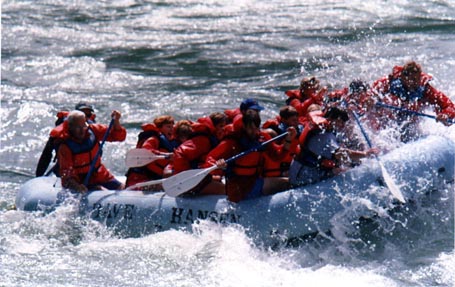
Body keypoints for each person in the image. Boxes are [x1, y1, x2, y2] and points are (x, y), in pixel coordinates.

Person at [204, 111, 297, 202]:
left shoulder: (262, 138)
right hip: (237, 187)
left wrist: (288, 140)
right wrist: (219, 165)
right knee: (286, 183)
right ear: (244, 126)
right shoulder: (233, 141)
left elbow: (277, 156)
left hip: (254, 182)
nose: (253, 132)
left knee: (288, 182)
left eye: (256, 128)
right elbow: (211, 158)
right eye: (250, 128)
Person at [289, 107, 378, 187]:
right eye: (342, 122)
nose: (343, 125)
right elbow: (340, 154)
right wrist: (365, 154)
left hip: (303, 169)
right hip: (302, 177)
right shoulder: (324, 136)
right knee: (344, 171)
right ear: (337, 120)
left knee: (346, 165)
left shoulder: (324, 127)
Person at [371, 61, 455, 141]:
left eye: (417, 79)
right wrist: (369, 100)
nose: (415, 83)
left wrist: (445, 115)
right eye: (412, 79)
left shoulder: (425, 89)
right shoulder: (388, 83)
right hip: (388, 121)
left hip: (410, 123)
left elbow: (449, 106)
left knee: (409, 128)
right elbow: (370, 92)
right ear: (403, 77)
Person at [51, 110, 126, 193]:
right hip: (79, 180)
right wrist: (77, 187)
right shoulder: (65, 146)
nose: (82, 131)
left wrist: (116, 121)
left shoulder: (93, 130)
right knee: (98, 189)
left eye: (84, 126)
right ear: (70, 127)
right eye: (78, 128)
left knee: (122, 188)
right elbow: (67, 175)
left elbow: (119, 136)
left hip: (98, 173)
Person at [35, 102, 97, 177]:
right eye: (82, 114)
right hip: (66, 172)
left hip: (88, 173)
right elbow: (46, 155)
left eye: (88, 115)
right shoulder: (61, 134)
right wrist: (38, 176)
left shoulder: (94, 132)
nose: (84, 118)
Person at [125, 115, 177, 189]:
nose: (171, 129)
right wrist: (166, 155)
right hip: (139, 178)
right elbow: (146, 150)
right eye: (168, 127)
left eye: (172, 127)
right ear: (160, 128)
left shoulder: (171, 142)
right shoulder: (153, 139)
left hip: (153, 177)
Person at [262, 106, 303, 177]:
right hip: (280, 166)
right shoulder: (276, 132)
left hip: (293, 164)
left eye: (297, 120)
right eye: (293, 120)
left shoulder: (301, 130)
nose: (296, 123)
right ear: (284, 120)